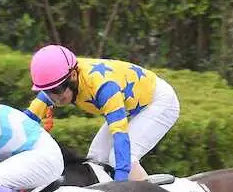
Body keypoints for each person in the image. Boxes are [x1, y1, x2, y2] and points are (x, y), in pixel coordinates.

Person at [24, 44, 180, 182]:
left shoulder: (104, 88)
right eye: (46, 91)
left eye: (56, 90)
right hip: (133, 104)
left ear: (73, 76)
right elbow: (25, 121)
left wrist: (121, 186)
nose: (53, 97)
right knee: (96, 159)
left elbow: (120, 136)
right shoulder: (58, 85)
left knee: (121, 159)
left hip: (159, 102)